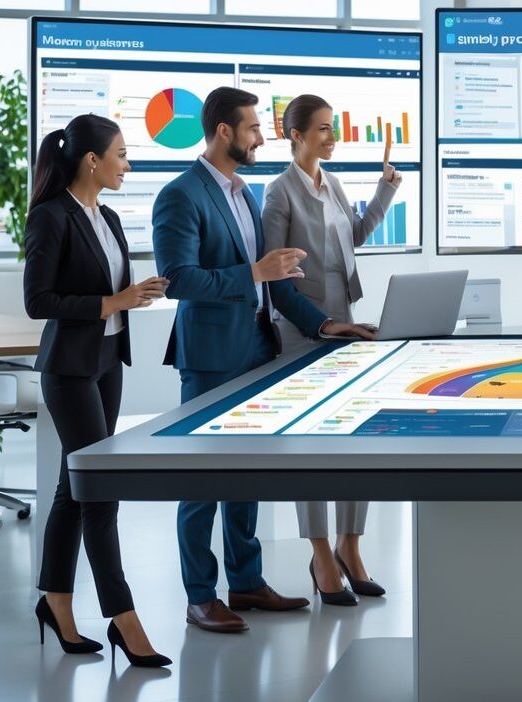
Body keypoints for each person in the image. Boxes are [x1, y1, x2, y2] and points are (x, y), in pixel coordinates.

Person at [152, 87, 373, 633]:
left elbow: (275, 281)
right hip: (209, 353)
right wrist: (254, 274)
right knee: (202, 478)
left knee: (244, 472)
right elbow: (177, 280)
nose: (259, 136)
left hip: (255, 345)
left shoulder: (245, 194)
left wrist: (325, 323)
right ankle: (200, 595)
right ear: (224, 131)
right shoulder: (180, 195)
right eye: (251, 128)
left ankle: (245, 582)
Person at [23, 114, 171, 668]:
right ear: (92, 161)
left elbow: (110, 289)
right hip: (69, 369)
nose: (127, 165)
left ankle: (55, 602)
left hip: (108, 361)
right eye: (122, 155)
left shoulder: (106, 215)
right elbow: (40, 302)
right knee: (100, 489)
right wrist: (113, 303)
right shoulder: (51, 217)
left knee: (73, 487)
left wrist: (138, 294)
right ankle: (124, 617)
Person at [263, 94, 397, 605]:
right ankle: (320, 552)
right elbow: (276, 279)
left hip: (348, 326)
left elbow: (355, 236)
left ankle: (351, 545)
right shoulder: (280, 194)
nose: (331, 136)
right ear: (295, 135)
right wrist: (322, 324)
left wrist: (384, 190)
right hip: (305, 329)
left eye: (332, 127)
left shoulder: (334, 183)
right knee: (312, 447)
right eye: (322, 129)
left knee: (354, 439)